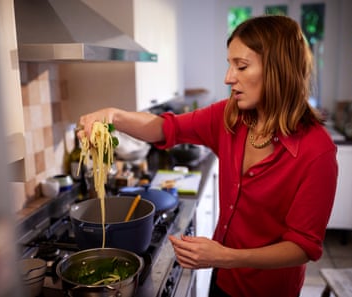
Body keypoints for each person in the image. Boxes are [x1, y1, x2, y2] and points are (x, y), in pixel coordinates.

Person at [78, 15, 338, 297]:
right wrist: (114, 116)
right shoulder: (229, 117)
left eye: (241, 66)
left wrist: (224, 256)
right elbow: (165, 128)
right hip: (223, 280)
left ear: (278, 70)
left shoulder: (317, 152)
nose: (228, 78)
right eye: (230, 65)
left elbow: (302, 248)